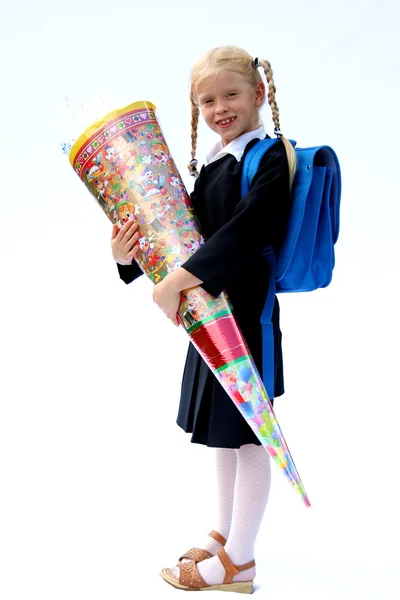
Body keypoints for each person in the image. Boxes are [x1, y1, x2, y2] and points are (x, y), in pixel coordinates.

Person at [111, 45, 296, 594]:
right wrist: (130, 260)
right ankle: (224, 534)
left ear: (258, 94)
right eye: (207, 100)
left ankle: (241, 561)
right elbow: (182, 235)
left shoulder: (268, 157)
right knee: (222, 432)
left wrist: (174, 283)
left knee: (248, 435)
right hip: (207, 311)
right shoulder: (215, 161)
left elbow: (246, 233)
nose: (220, 108)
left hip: (245, 314)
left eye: (231, 94)